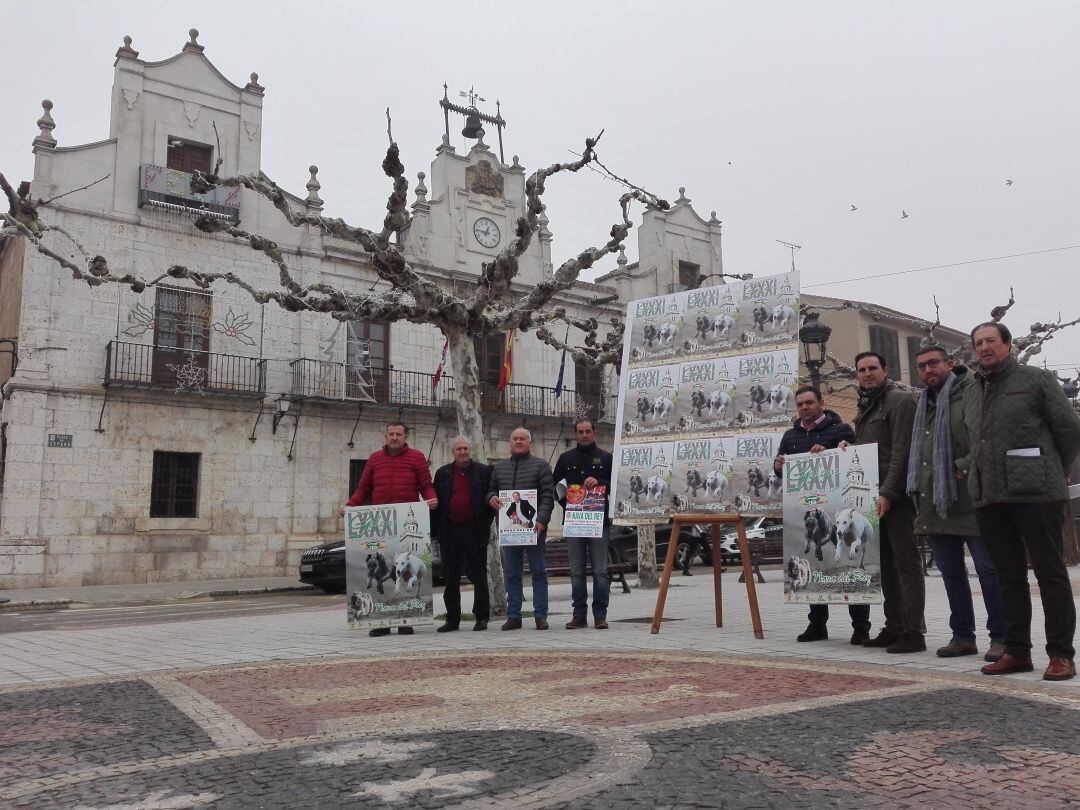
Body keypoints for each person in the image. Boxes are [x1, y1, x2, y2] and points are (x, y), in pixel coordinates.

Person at [964, 322, 1080, 681]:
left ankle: (1061, 654)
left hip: (1036, 493)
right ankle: (1017, 651)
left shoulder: (1035, 380)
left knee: (1050, 573)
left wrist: (1051, 469)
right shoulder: (971, 390)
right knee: (1007, 576)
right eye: (978, 342)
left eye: (991, 341)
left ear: (1008, 345)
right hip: (989, 495)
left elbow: (1070, 431)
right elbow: (972, 441)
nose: (984, 348)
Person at [906, 345, 1006, 662]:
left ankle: (1002, 637)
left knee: (989, 571)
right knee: (951, 572)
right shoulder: (923, 402)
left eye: (933, 363)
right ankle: (962, 636)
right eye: (921, 366)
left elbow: (983, 436)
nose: (927, 371)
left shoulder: (971, 389)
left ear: (950, 364)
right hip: (936, 499)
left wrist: (961, 466)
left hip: (970, 496)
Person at [774, 385, 870, 644]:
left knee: (848, 565)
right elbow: (782, 471)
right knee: (812, 564)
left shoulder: (840, 430)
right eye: (800, 404)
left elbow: (856, 457)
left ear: (821, 403)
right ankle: (817, 625)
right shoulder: (789, 436)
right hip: (807, 511)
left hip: (838, 510)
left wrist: (840, 448)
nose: (804, 407)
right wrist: (778, 465)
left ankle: (861, 627)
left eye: (809, 402)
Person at [844, 352, 924, 653]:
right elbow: (871, 452)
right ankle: (894, 626)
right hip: (873, 496)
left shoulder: (899, 400)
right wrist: (848, 447)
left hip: (897, 496)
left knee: (907, 565)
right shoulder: (867, 404)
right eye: (861, 369)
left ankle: (914, 632)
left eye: (872, 368)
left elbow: (901, 452)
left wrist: (889, 493)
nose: (867, 373)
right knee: (886, 566)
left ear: (885, 370)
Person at [342, 421, 438, 638]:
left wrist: (432, 498)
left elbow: (426, 485)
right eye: (391, 434)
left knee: (404, 572)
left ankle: (406, 620)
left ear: (405, 437)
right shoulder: (375, 459)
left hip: (405, 523)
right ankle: (381, 622)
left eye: (399, 434)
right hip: (380, 525)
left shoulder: (417, 457)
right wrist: (349, 507)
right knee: (380, 575)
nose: (394, 437)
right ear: (385, 437)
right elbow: (363, 489)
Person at [488, 427, 555, 631]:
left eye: (523, 439)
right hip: (510, 531)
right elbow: (491, 490)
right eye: (515, 438)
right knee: (513, 574)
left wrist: (542, 519)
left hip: (534, 529)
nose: (518, 442)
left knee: (539, 572)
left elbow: (547, 496)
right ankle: (514, 616)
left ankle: (540, 615)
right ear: (510, 442)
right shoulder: (499, 468)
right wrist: (491, 498)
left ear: (529, 443)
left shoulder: (541, 466)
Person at [553, 419, 613, 629]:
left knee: (600, 571)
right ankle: (579, 615)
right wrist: (570, 505)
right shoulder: (565, 458)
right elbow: (556, 487)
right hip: (574, 523)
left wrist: (601, 482)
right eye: (580, 432)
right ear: (576, 434)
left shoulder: (606, 458)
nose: (584, 435)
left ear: (594, 433)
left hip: (599, 523)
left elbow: (616, 486)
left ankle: (600, 615)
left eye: (588, 431)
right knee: (576, 571)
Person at [432, 436, 495, 633]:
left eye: (465, 448)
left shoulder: (484, 472)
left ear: (470, 450)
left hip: (474, 530)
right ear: (453, 452)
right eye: (458, 449)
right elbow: (435, 504)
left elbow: (490, 499)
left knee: (479, 575)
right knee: (451, 577)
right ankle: (452, 619)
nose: (462, 452)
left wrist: (484, 523)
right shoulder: (442, 473)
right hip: (450, 531)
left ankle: (482, 617)